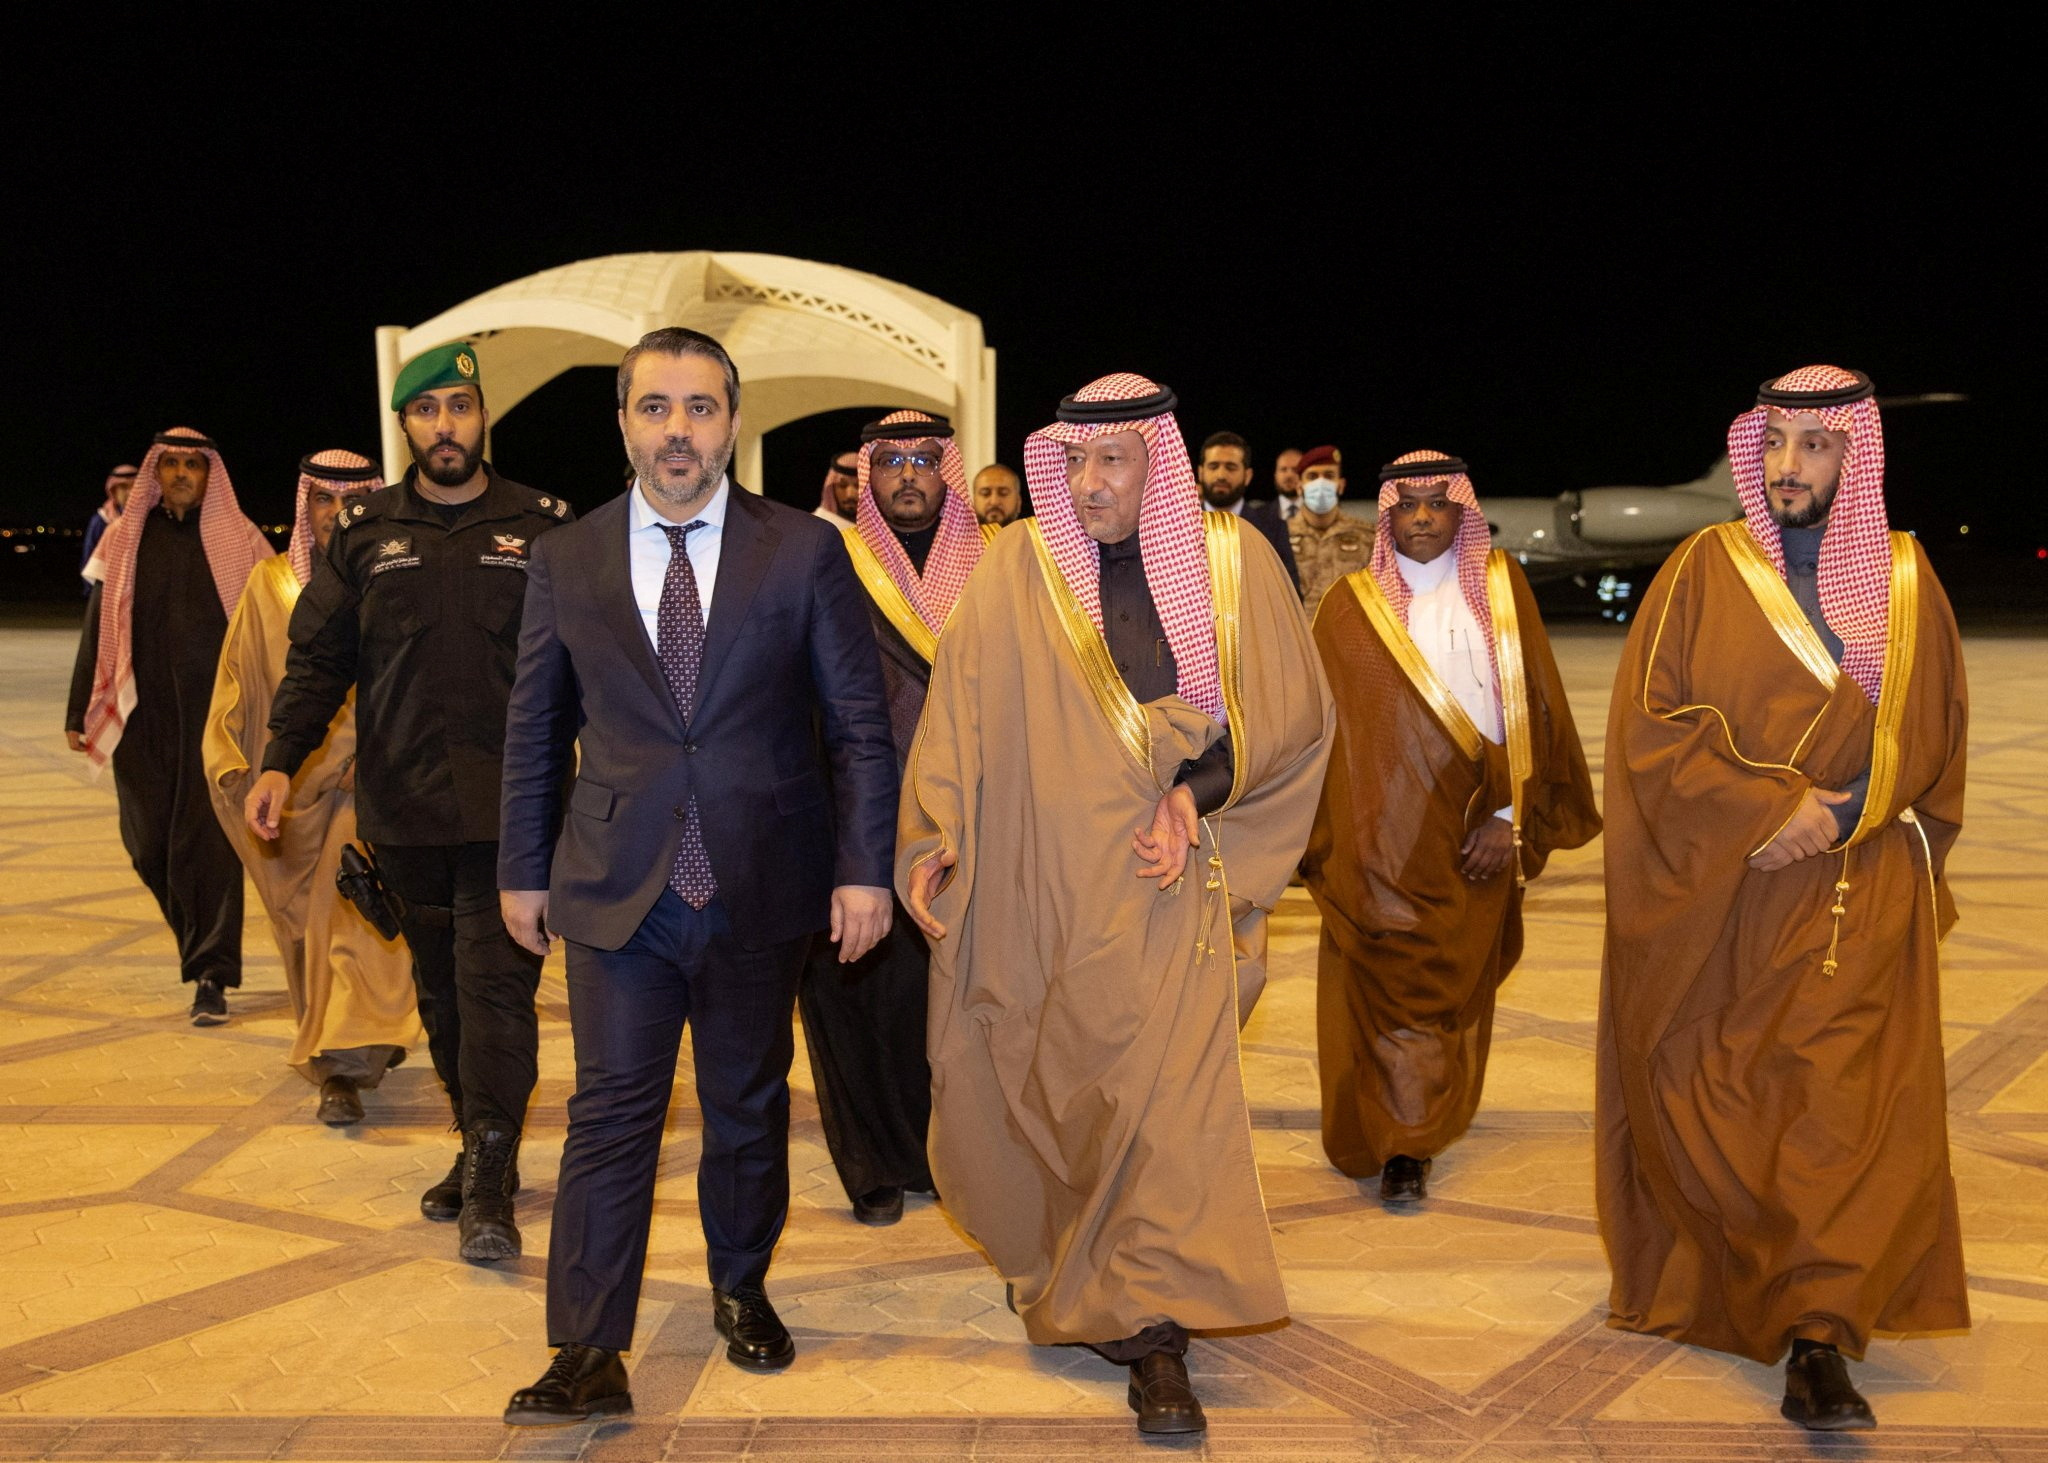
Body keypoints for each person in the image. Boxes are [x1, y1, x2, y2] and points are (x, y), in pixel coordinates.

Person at [900, 374, 1333, 1436]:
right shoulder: (1016, 568)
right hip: (1038, 887)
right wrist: (934, 834)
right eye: (1073, 462)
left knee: (1164, 1111)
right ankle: (1070, 1265)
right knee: (1059, 1088)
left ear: (1159, 462)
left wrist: (1196, 794)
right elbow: (958, 710)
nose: (1086, 484)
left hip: (1171, 888)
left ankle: (1152, 1331)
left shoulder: (1236, 567)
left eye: (1112, 462)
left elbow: (1290, 721)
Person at [497, 327, 897, 1425]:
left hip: (762, 883)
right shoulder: (564, 556)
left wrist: (865, 868)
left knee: (746, 1103)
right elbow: (535, 729)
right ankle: (585, 1344)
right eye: (656, 407)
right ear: (622, 421)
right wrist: (520, 869)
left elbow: (859, 726)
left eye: (701, 408)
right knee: (609, 1111)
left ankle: (740, 1282)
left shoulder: (803, 551)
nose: (679, 430)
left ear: (733, 420)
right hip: (615, 887)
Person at [1597, 366, 1969, 1433]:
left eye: (1812, 446)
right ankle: (1743, 1273)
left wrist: (1841, 811)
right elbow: (1645, 728)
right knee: (1727, 1098)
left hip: (1858, 893)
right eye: (1772, 445)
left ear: (1855, 455)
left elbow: (1934, 731)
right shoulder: (1698, 568)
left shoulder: (1903, 580)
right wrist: (1767, 806)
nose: (1786, 467)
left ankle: (1818, 1329)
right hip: (1731, 894)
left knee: (1838, 1114)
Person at [244, 343, 572, 1262]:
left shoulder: (544, 526)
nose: (445, 427)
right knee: (440, 991)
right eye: (426, 412)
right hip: (407, 811)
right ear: (406, 427)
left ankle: (493, 1179)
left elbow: (589, 667)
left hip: (516, 813)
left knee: (495, 989)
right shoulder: (362, 532)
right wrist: (278, 761)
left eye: (460, 407)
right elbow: (318, 662)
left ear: (482, 417)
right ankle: (476, 1145)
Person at [1302, 451, 1597, 1204]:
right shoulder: (1348, 605)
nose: (1424, 517)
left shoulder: (1501, 591)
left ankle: (1415, 1135)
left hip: (1473, 831)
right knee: (1384, 986)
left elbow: (1534, 707)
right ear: (1388, 514)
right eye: (1409, 505)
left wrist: (1510, 816)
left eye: (1439, 504)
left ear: (1463, 512)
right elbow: (1322, 735)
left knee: (1441, 992)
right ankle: (1397, 1138)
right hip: (1376, 841)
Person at [805, 410, 994, 1227]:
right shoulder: (827, 560)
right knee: (854, 989)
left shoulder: (995, 566)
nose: (909, 474)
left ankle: (944, 1152)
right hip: (849, 807)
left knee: (943, 994)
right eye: (892, 462)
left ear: (947, 470)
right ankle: (870, 1162)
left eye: (925, 459)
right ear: (866, 476)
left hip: (967, 815)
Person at [204, 450, 421, 1126]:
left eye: (349, 498)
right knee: (307, 938)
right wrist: (233, 759)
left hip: (371, 787)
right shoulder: (269, 587)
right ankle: (350, 1048)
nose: (336, 513)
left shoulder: (397, 580)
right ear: (305, 508)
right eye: (322, 500)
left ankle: (342, 1067)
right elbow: (239, 681)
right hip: (296, 788)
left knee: (355, 920)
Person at [67, 430, 271, 1024]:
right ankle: (196, 941)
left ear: (211, 473)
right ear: (156, 471)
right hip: (140, 715)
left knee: (206, 848)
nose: (181, 473)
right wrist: (78, 709)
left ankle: (211, 972)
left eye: (193, 464)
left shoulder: (241, 539)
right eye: (172, 463)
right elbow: (95, 626)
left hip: (217, 721)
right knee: (147, 843)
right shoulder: (125, 539)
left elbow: (269, 628)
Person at [1197, 430, 1301, 592]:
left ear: (1247, 476)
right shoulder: (1180, 527)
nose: (1221, 475)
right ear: (1201, 472)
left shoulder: (1272, 529)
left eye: (1230, 467)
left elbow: (1289, 595)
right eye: (1213, 466)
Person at [1287, 445, 1376, 611]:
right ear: (1299, 486)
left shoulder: (1368, 536)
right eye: (1312, 476)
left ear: (1341, 485)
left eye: (1329, 476)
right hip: (1294, 635)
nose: (1320, 483)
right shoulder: (1280, 535)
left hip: (1347, 634)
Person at [81, 465, 136, 582]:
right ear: (114, 490)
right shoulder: (101, 520)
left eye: (134, 487)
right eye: (123, 487)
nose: (130, 492)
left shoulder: (152, 520)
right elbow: (89, 558)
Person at [815, 449, 860, 526]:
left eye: (858, 486)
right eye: (842, 486)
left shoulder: (877, 528)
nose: (850, 495)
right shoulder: (817, 525)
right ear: (831, 489)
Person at [1271, 446, 1304, 521]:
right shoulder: (1258, 516)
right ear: (1275, 475)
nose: (1289, 475)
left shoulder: (1320, 515)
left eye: (1295, 469)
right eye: (1283, 469)